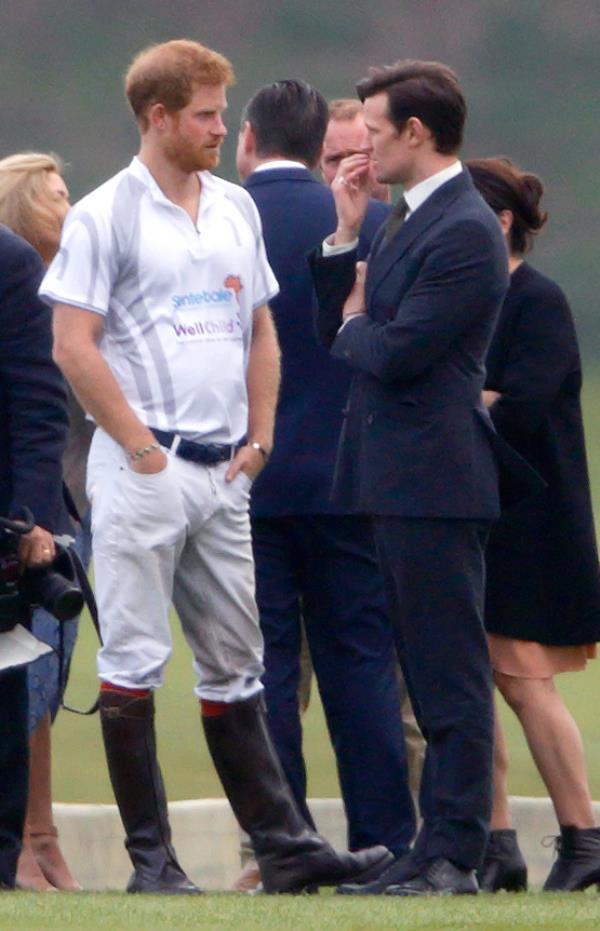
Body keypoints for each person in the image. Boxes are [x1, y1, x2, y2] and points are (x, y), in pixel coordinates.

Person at [39, 39, 391, 895]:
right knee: (132, 662)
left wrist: (260, 436)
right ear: (158, 117)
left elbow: (261, 326)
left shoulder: (235, 205)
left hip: (227, 472)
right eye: (205, 114)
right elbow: (72, 343)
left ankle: (284, 845)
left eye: (221, 113)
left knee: (239, 662)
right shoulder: (103, 214)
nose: (220, 127)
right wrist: (138, 445)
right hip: (145, 471)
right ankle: (152, 862)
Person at [308, 59, 538, 896]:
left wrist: (359, 319)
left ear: (415, 132)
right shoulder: (406, 219)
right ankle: (429, 846)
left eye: (372, 129)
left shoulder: (466, 229)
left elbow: (393, 352)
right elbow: (339, 327)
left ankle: (454, 854)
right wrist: (344, 236)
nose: (358, 145)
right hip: (394, 475)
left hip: (435, 479)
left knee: (447, 675)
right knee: (422, 664)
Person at [235, 79, 415, 890]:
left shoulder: (216, 221)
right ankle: (388, 841)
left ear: (247, 140)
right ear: (322, 148)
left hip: (251, 479)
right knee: (362, 665)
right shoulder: (376, 225)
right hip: (352, 477)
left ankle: (286, 842)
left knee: (266, 671)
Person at [467, 157, 600, 893]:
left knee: (525, 681)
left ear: (502, 220)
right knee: (471, 679)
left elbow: (520, 402)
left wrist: (464, 399)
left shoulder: (535, 300)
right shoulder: (474, 299)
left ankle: (583, 832)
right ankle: (498, 841)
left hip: (531, 520)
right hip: (476, 513)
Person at [0, 151, 82, 891]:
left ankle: (23, 848)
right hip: (22, 512)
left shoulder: (26, 271)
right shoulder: (21, 269)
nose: (71, 204)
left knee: (21, 692)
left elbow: (41, 408)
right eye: (58, 197)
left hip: (21, 517)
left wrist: (33, 520)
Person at [321, 99, 391, 203]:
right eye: (334, 159)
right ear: (321, 168)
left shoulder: (417, 217)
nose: (346, 167)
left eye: (357, 157)